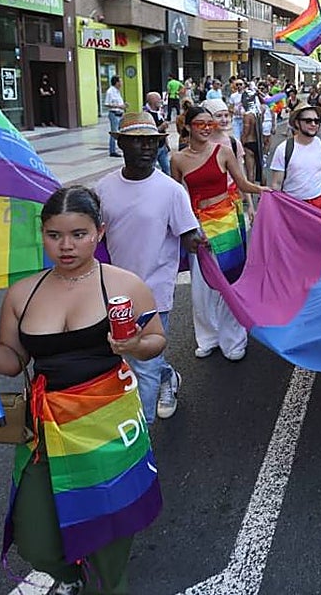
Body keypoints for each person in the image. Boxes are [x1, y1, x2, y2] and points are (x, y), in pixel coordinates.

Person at [0, 185, 165, 595]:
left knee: (108, 542)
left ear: (99, 232)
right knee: (36, 541)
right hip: (45, 430)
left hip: (108, 428)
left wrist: (134, 346)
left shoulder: (124, 285)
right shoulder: (23, 293)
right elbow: (14, 360)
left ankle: (105, 586)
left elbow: (156, 338)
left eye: (78, 234)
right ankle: (76, 576)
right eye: (55, 235)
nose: (66, 246)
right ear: (43, 234)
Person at [97, 112, 201, 423]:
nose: (146, 148)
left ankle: (143, 434)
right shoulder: (103, 188)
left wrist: (201, 240)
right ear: (123, 145)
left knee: (144, 361)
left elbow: (189, 234)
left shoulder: (170, 190)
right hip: (113, 292)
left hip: (154, 291)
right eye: (138, 141)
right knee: (128, 353)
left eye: (151, 142)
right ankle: (167, 376)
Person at [172, 104, 267, 361]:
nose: (206, 128)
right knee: (201, 289)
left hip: (226, 224)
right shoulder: (177, 159)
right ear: (187, 127)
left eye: (209, 123)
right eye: (199, 123)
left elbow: (243, 183)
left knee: (230, 282)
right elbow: (177, 197)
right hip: (198, 227)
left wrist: (266, 193)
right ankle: (208, 338)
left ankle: (234, 340)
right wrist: (184, 229)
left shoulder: (223, 151)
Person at [268, 103, 321, 210]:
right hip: (293, 206)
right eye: (308, 121)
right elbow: (276, 184)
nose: (314, 124)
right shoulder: (283, 149)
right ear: (297, 123)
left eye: (317, 121)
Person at [143, 92, 171, 175]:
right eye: (158, 99)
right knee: (150, 170)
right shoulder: (146, 114)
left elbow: (164, 131)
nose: (161, 101)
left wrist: (167, 143)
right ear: (152, 101)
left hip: (162, 146)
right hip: (153, 147)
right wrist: (161, 127)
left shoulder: (159, 112)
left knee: (167, 169)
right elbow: (147, 132)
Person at [104, 76, 125, 157]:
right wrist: (119, 106)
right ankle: (112, 151)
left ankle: (119, 147)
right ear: (117, 83)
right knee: (114, 132)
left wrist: (123, 106)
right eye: (120, 81)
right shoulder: (110, 92)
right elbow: (106, 104)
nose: (122, 83)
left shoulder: (117, 91)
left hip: (120, 114)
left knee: (121, 131)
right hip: (114, 114)